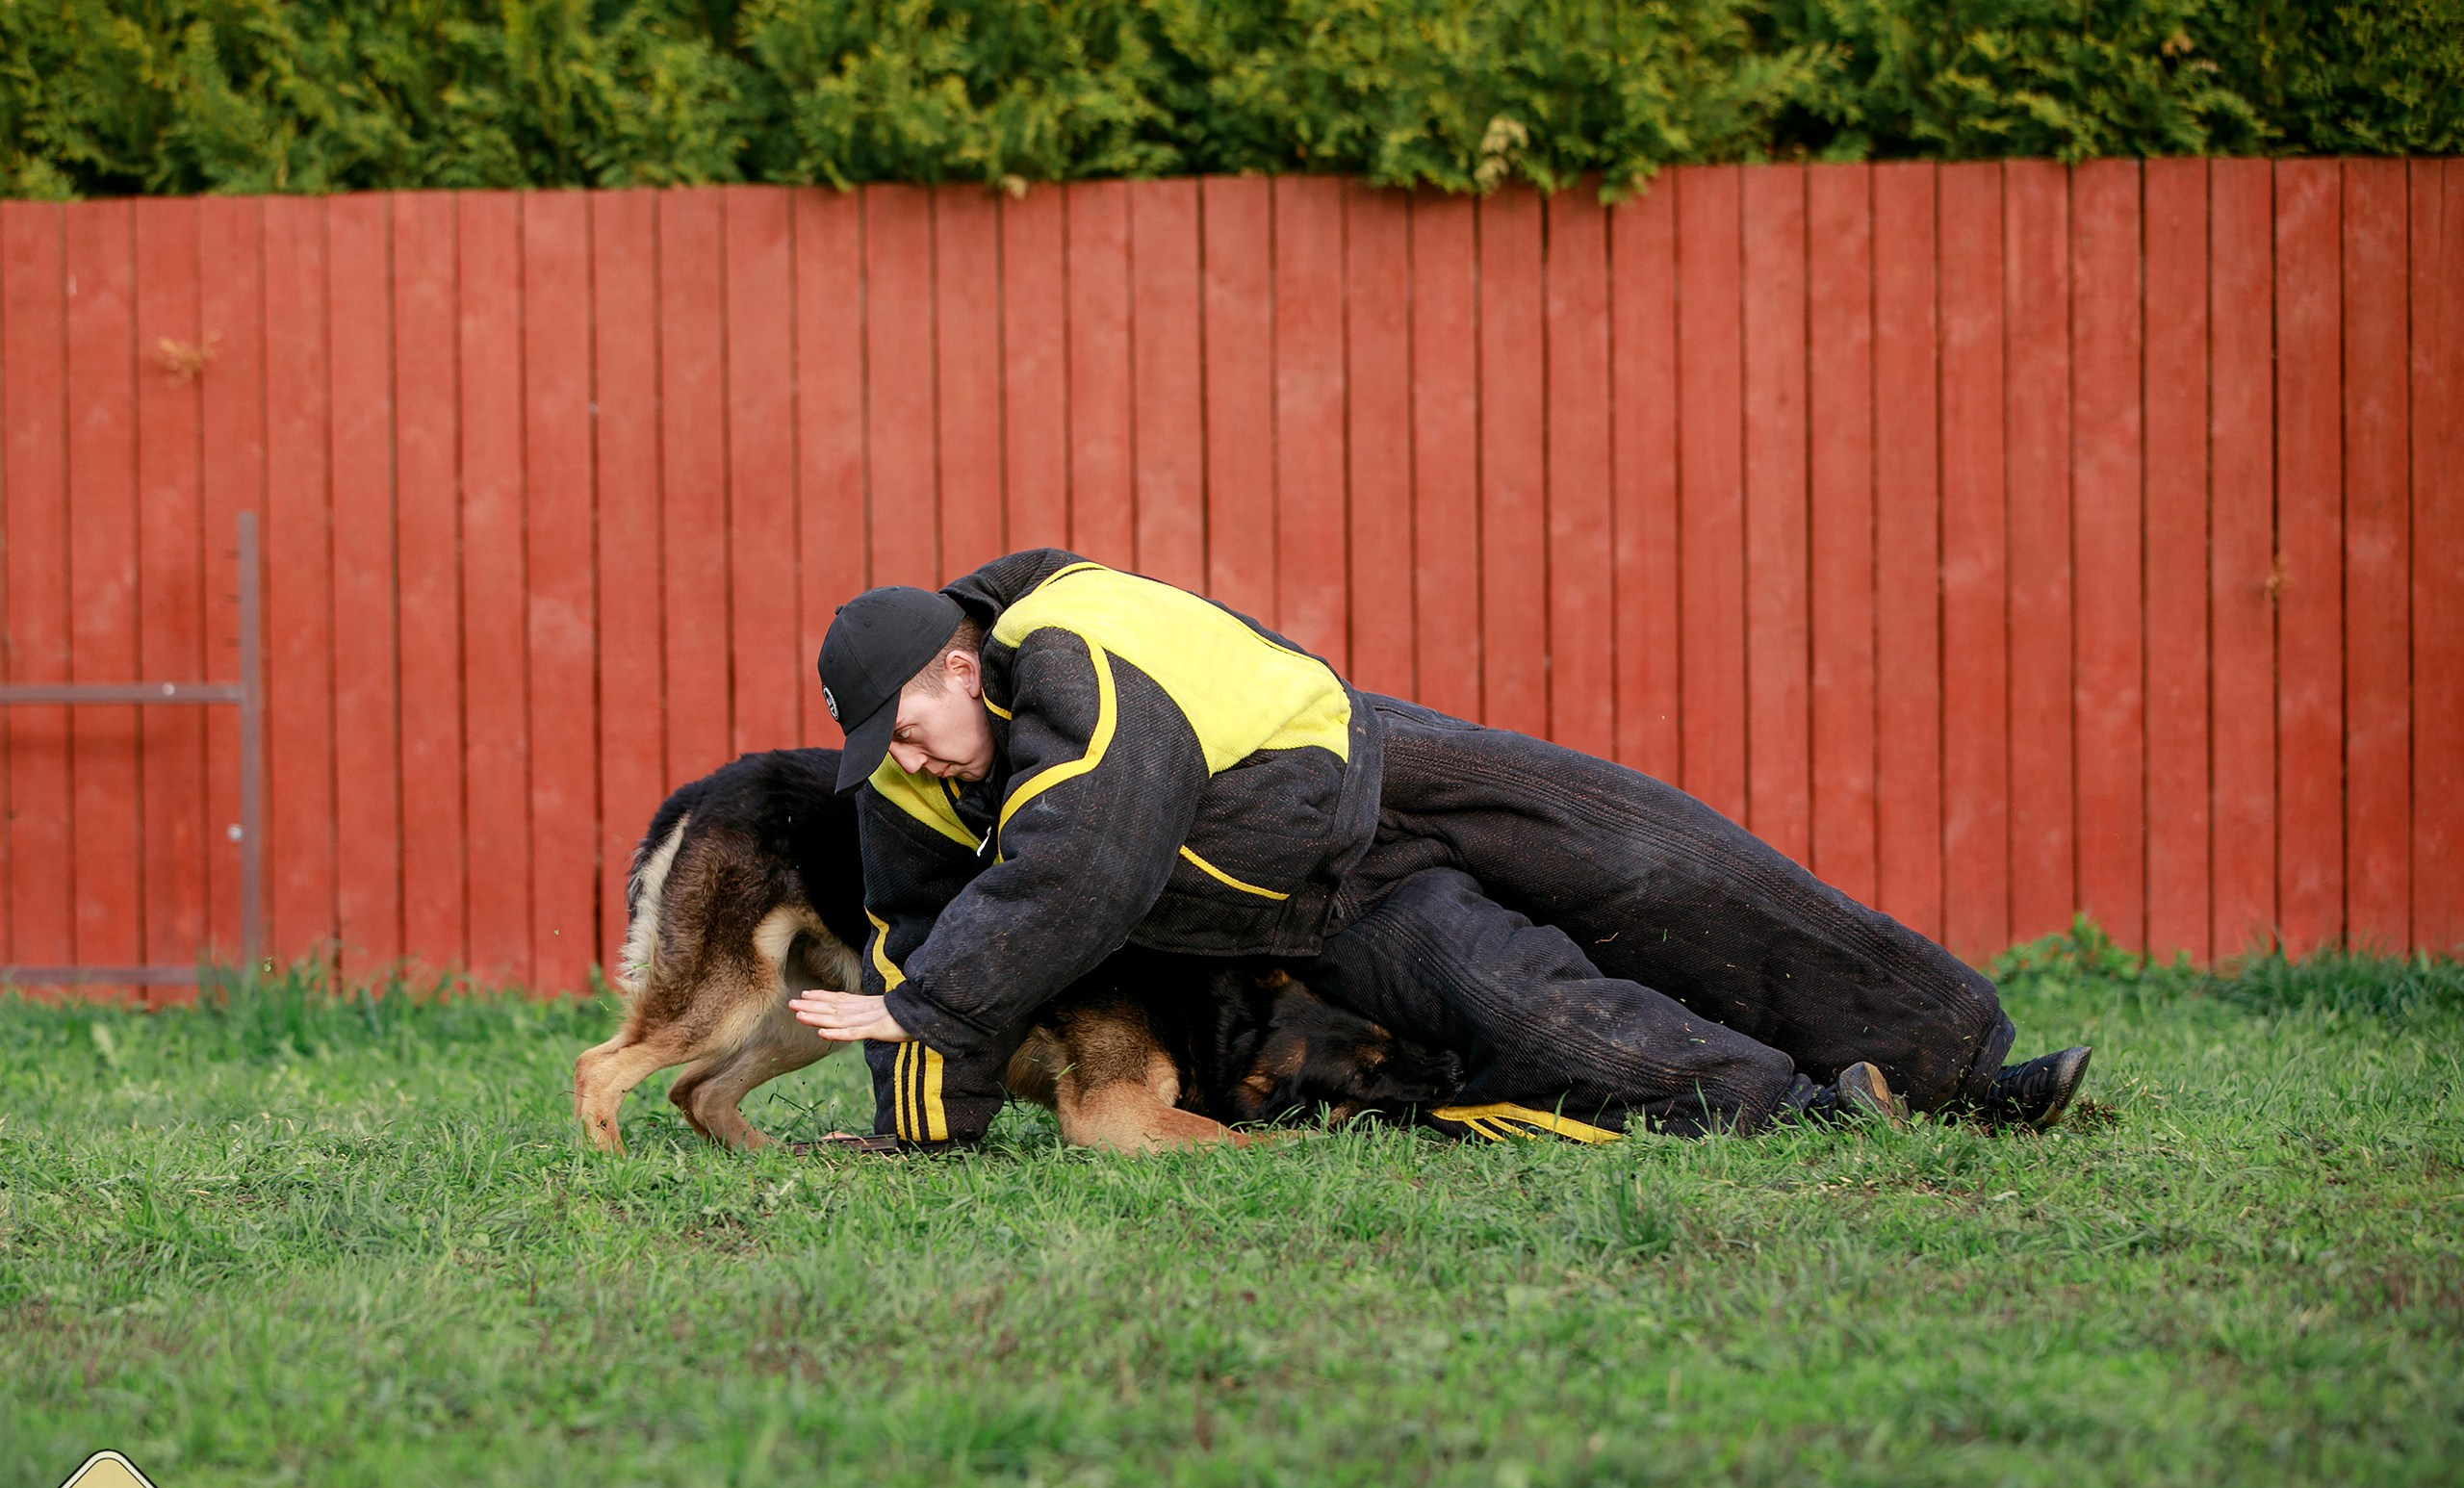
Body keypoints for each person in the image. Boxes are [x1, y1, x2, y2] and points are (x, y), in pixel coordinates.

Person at [790, 550, 2090, 1148]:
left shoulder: (1079, 640)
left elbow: (1081, 863)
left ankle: (1958, 1063)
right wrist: (922, 1131)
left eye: (910, 729)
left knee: (1671, 872)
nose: (908, 763)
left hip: (1390, 771)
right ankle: (1818, 1114)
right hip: (1327, 914)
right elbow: (911, 942)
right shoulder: (913, 786)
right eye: (882, 753)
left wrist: (934, 998)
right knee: (1545, 1014)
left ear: (961, 666)